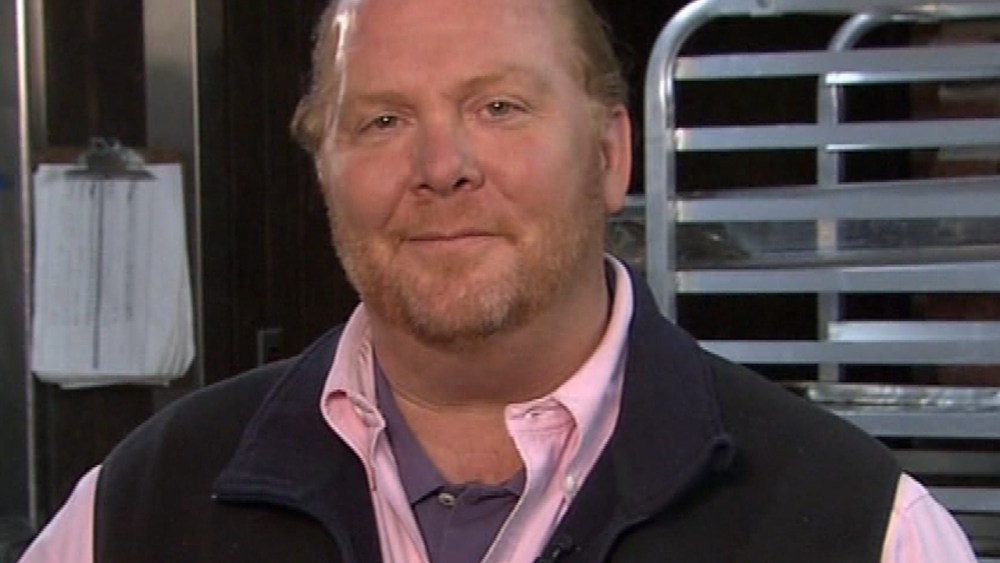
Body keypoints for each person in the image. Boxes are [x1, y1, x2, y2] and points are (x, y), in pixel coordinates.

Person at [18, 0, 978, 561]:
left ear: (609, 154)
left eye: (500, 107)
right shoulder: (136, 512)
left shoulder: (862, 529)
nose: (442, 167)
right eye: (383, 121)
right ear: (325, 171)